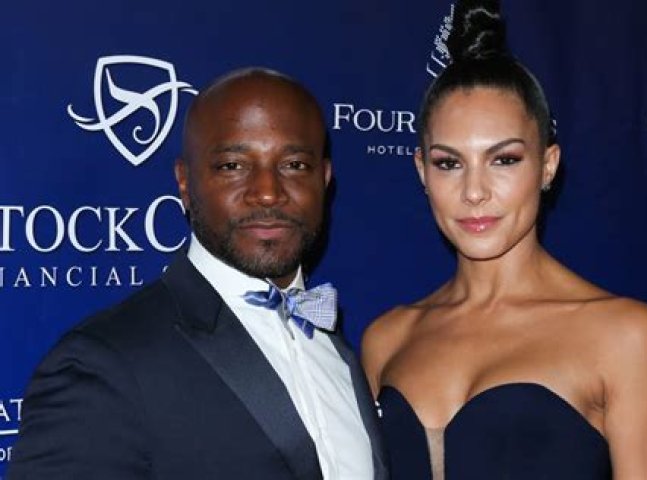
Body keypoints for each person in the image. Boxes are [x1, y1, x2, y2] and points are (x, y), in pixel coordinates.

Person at [9, 68, 387, 480]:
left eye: (294, 164)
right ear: (185, 183)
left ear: (324, 179)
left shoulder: (337, 347)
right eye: (233, 165)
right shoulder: (102, 365)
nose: (267, 192)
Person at [361, 1, 647, 479]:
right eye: (449, 163)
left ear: (547, 166)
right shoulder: (387, 338)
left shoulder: (626, 337)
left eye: (504, 160)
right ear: (422, 171)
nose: (474, 192)